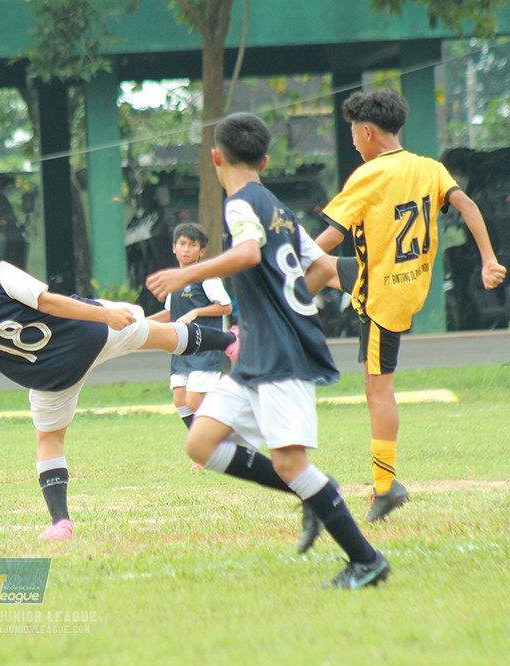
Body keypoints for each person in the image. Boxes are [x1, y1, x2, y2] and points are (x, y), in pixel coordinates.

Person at [146, 112, 390, 588]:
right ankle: (319, 495)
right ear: (266, 159)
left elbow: (250, 254)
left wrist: (185, 274)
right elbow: (317, 262)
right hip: (257, 354)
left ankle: (366, 559)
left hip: (279, 355)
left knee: (290, 462)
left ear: (215, 157)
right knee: (200, 442)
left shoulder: (240, 204)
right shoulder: (278, 207)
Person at [0, 214, 239, 542]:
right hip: (88, 335)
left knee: (49, 441)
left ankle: (60, 521)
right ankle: (231, 342)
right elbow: (49, 302)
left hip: (50, 377)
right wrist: (105, 314)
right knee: (162, 336)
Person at [309, 88, 506, 522]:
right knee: (321, 270)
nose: (354, 143)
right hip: (399, 281)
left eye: (353, 135)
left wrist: (284, 263)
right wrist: (489, 259)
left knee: (378, 390)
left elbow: (330, 235)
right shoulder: (428, 167)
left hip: (382, 297)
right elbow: (467, 205)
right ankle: (275, 318)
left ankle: (385, 486)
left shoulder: (367, 176)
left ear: (366, 132)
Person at [148, 222, 233, 430]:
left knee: (195, 401)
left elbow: (226, 307)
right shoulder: (174, 280)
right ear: (174, 247)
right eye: (182, 244)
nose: (186, 249)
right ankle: (203, 447)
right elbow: (169, 312)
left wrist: (196, 311)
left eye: (192, 245)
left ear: (202, 251)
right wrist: (143, 322)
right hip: (182, 348)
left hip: (205, 347)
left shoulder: (206, 276)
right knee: (180, 399)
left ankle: (227, 439)